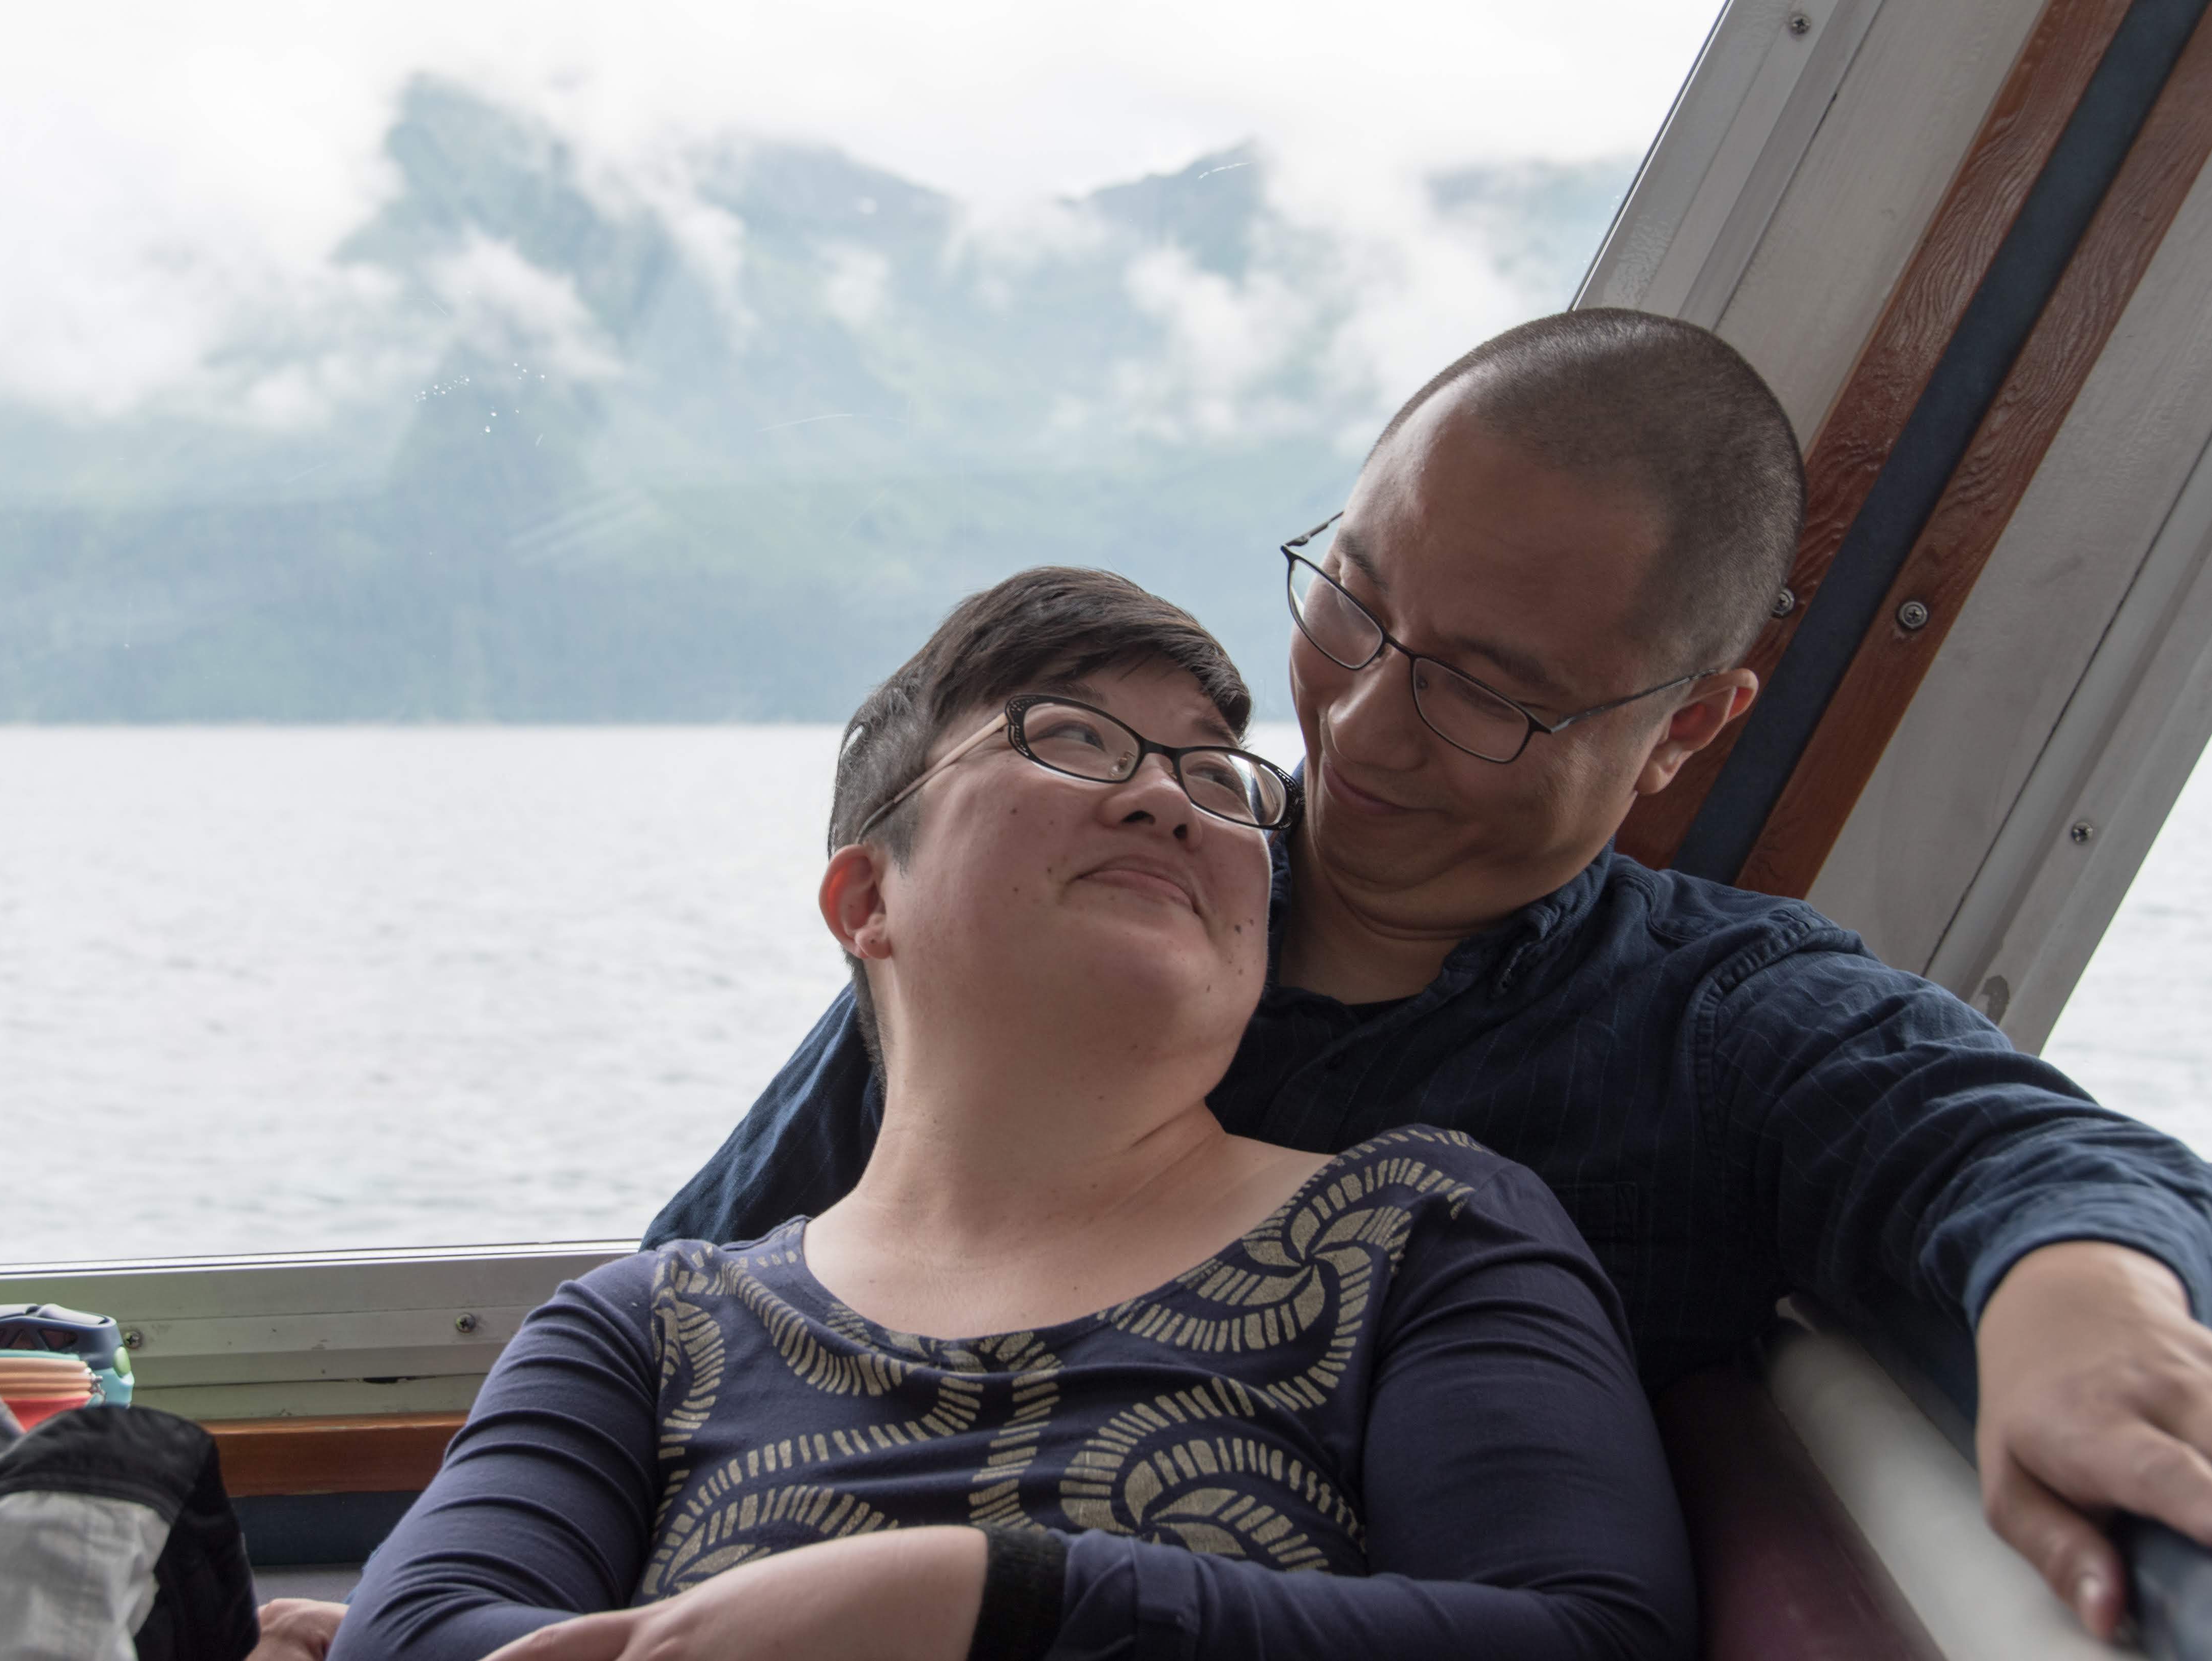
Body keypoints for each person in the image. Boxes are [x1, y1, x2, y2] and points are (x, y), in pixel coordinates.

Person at [655, 308, 2212, 1640]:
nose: (1363, 727)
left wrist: (2077, 1294)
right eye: (1353, 602)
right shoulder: (1089, 925)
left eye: (1487, 690)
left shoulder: (1710, 1027)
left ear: (1684, 729)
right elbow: (680, 1307)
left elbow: (2027, 1152)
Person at [328, 570, 1693, 1660]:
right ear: (867, 900)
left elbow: (1586, 1636)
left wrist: (990, 1599)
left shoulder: (1421, 1232)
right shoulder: (644, 1326)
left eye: (1217, 778)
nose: (1165, 796)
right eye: (1074, 740)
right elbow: (425, 1635)